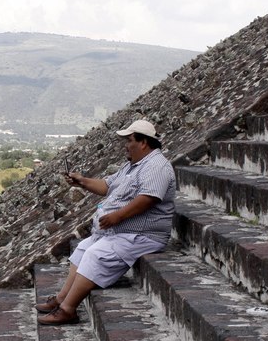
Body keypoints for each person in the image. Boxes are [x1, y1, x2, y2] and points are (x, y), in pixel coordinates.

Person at [36, 119, 176, 325]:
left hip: (144, 235)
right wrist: (81, 181)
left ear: (144, 142)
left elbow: (149, 198)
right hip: (123, 232)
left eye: (129, 140)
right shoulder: (132, 167)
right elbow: (106, 186)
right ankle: (61, 298)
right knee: (84, 248)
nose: (125, 146)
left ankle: (68, 310)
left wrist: (117, 216)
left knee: (96, 254)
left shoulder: (156, 166)